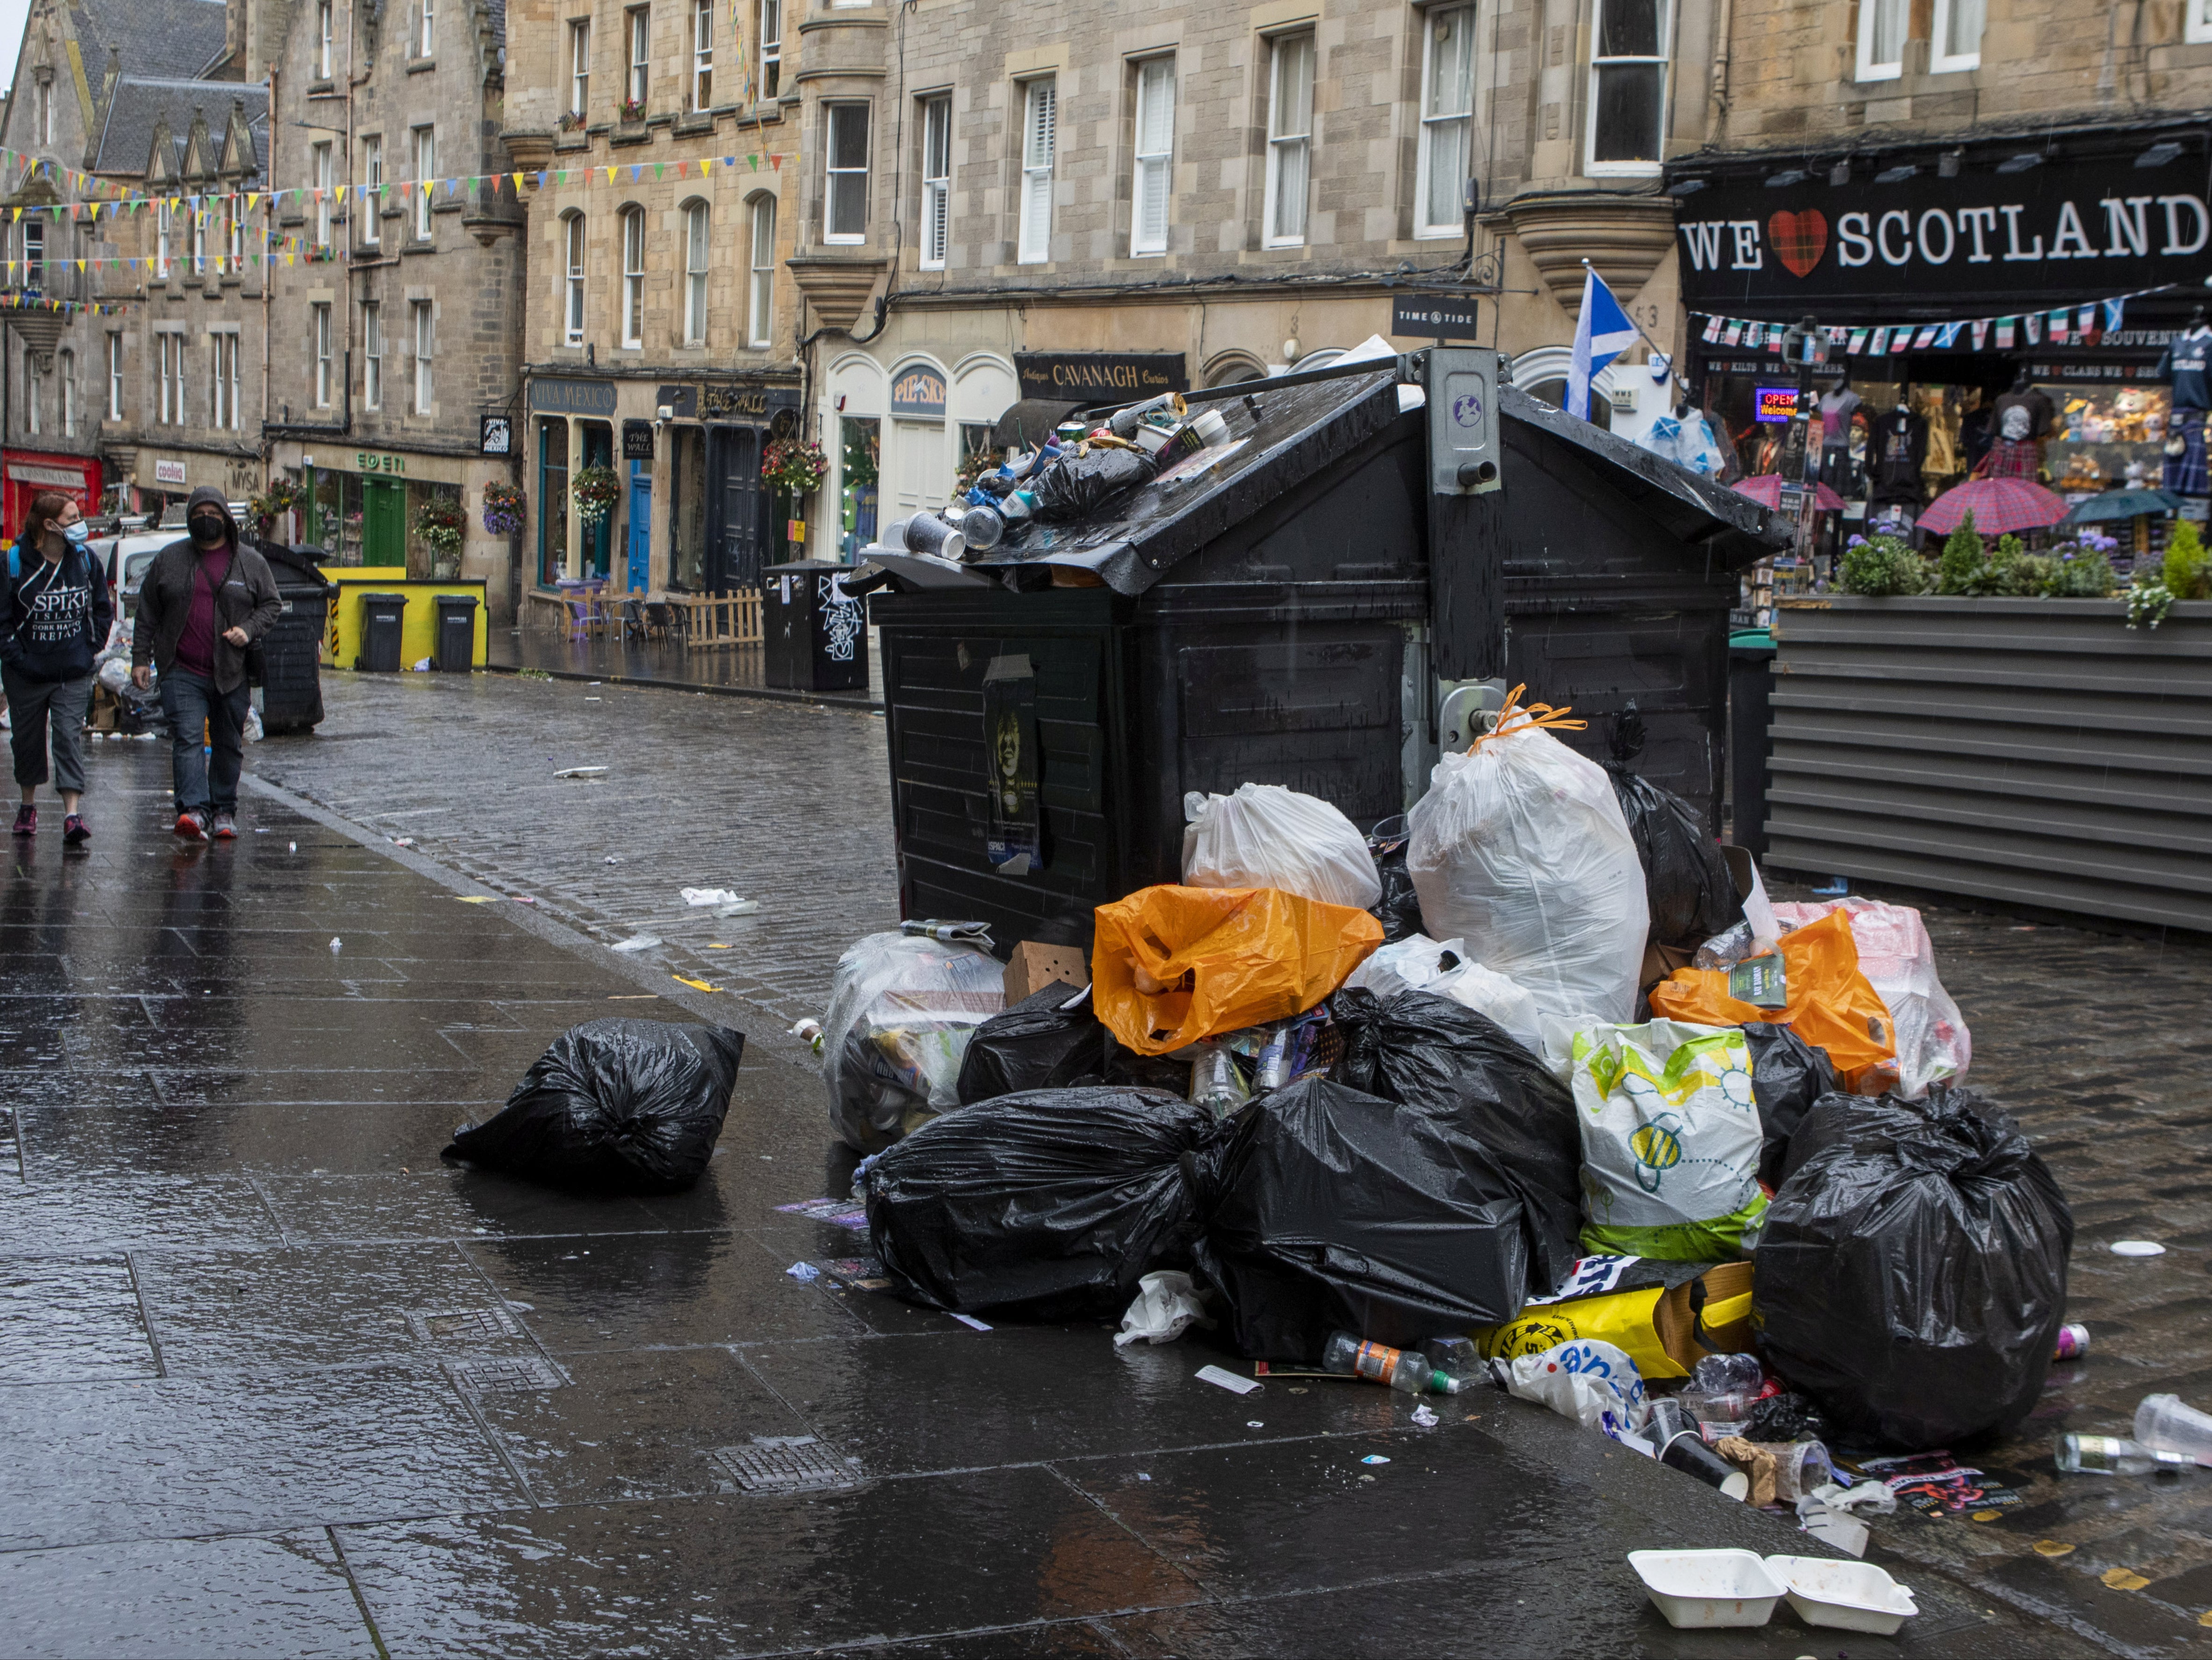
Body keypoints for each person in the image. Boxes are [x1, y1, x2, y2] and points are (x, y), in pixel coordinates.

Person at [130, 486, 280, 841]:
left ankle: (224, 809)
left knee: (228, 741)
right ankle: (194, 809)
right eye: (199, 514)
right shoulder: (169, 559)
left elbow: (272, 605)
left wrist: (248, 629)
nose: (206, 520)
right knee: (188, 738)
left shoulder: (250, 561)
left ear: (226, 519)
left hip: (232, 672)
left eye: (213, 513)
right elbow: (147, 612)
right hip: (182, 670)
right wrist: (141, 659)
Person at [0, 491, 109, 842]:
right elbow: (2, 621)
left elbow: (101, 609)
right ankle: (28, 806)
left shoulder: (85, 561)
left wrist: (89, 650)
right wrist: (19, 659)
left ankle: (72, 815)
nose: (80, 525)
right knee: (28, 741)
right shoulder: (13, 564)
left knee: (67, 737)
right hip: (26, 676)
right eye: (73, 519)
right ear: (49, 525)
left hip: (71, 672)